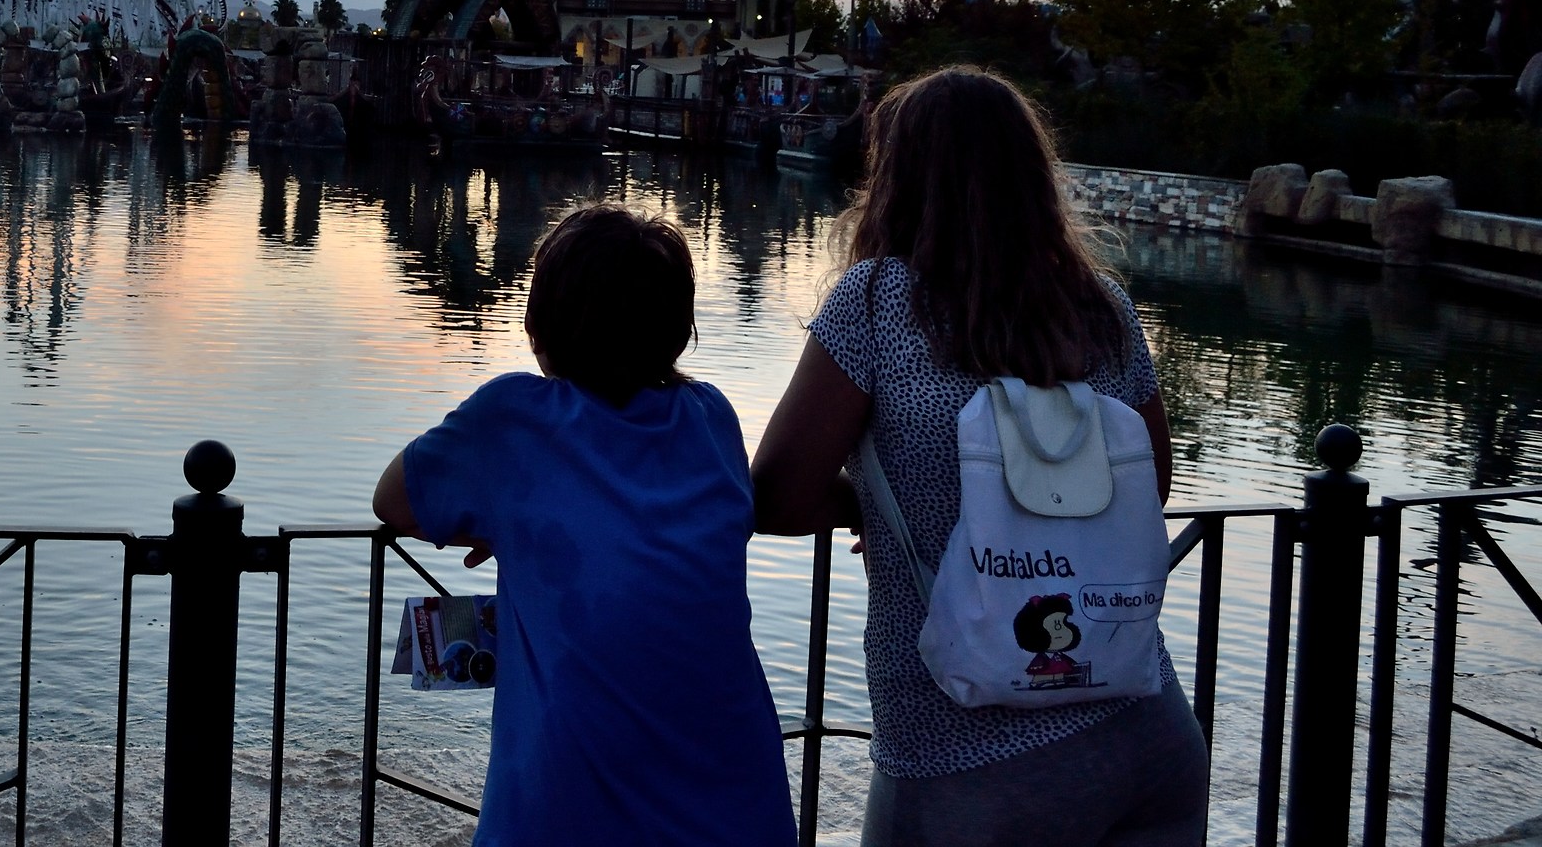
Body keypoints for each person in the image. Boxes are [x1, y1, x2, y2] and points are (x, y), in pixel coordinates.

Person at [752, 66, 1210, 846]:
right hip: (1146, 734)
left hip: (965, 757)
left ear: (898, 179)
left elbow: (778, 496)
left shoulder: (876, 301)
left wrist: (874, 502)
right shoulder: (1102, 307)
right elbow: (1149, 486)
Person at [371, 205, 793, 845]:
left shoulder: (512, 419)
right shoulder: (711, 419)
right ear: (677, 332)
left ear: (537, 326)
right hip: (740, 810)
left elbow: (393, 501)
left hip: (564, 817)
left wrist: (499, 517)